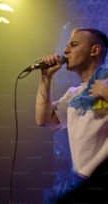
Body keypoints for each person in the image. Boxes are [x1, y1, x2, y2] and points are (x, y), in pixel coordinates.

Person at [34, 28, 108, 203]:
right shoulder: (73, 94)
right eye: (66, 46)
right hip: (84, 179)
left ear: (94, 50)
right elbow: (43, 119)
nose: (65, 51)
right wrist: (46, 77)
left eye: (73, 45)